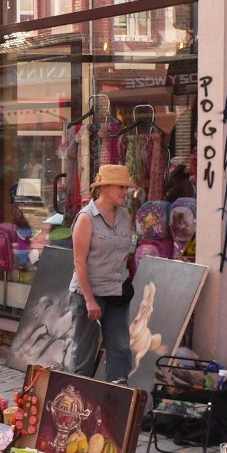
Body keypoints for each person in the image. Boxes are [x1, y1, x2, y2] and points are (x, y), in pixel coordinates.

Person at [67, 164, 136, 384]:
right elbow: (79, 261)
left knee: (121, 349)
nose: (125, 192)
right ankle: (77, 402)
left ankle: (116, 399)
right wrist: (89, 300)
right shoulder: (86, 218)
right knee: (84, 355)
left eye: (126, 187)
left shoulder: (124, 215)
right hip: (90, 293)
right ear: (104, 188)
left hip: (117, 291)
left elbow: (125, 252)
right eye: (121, 187)